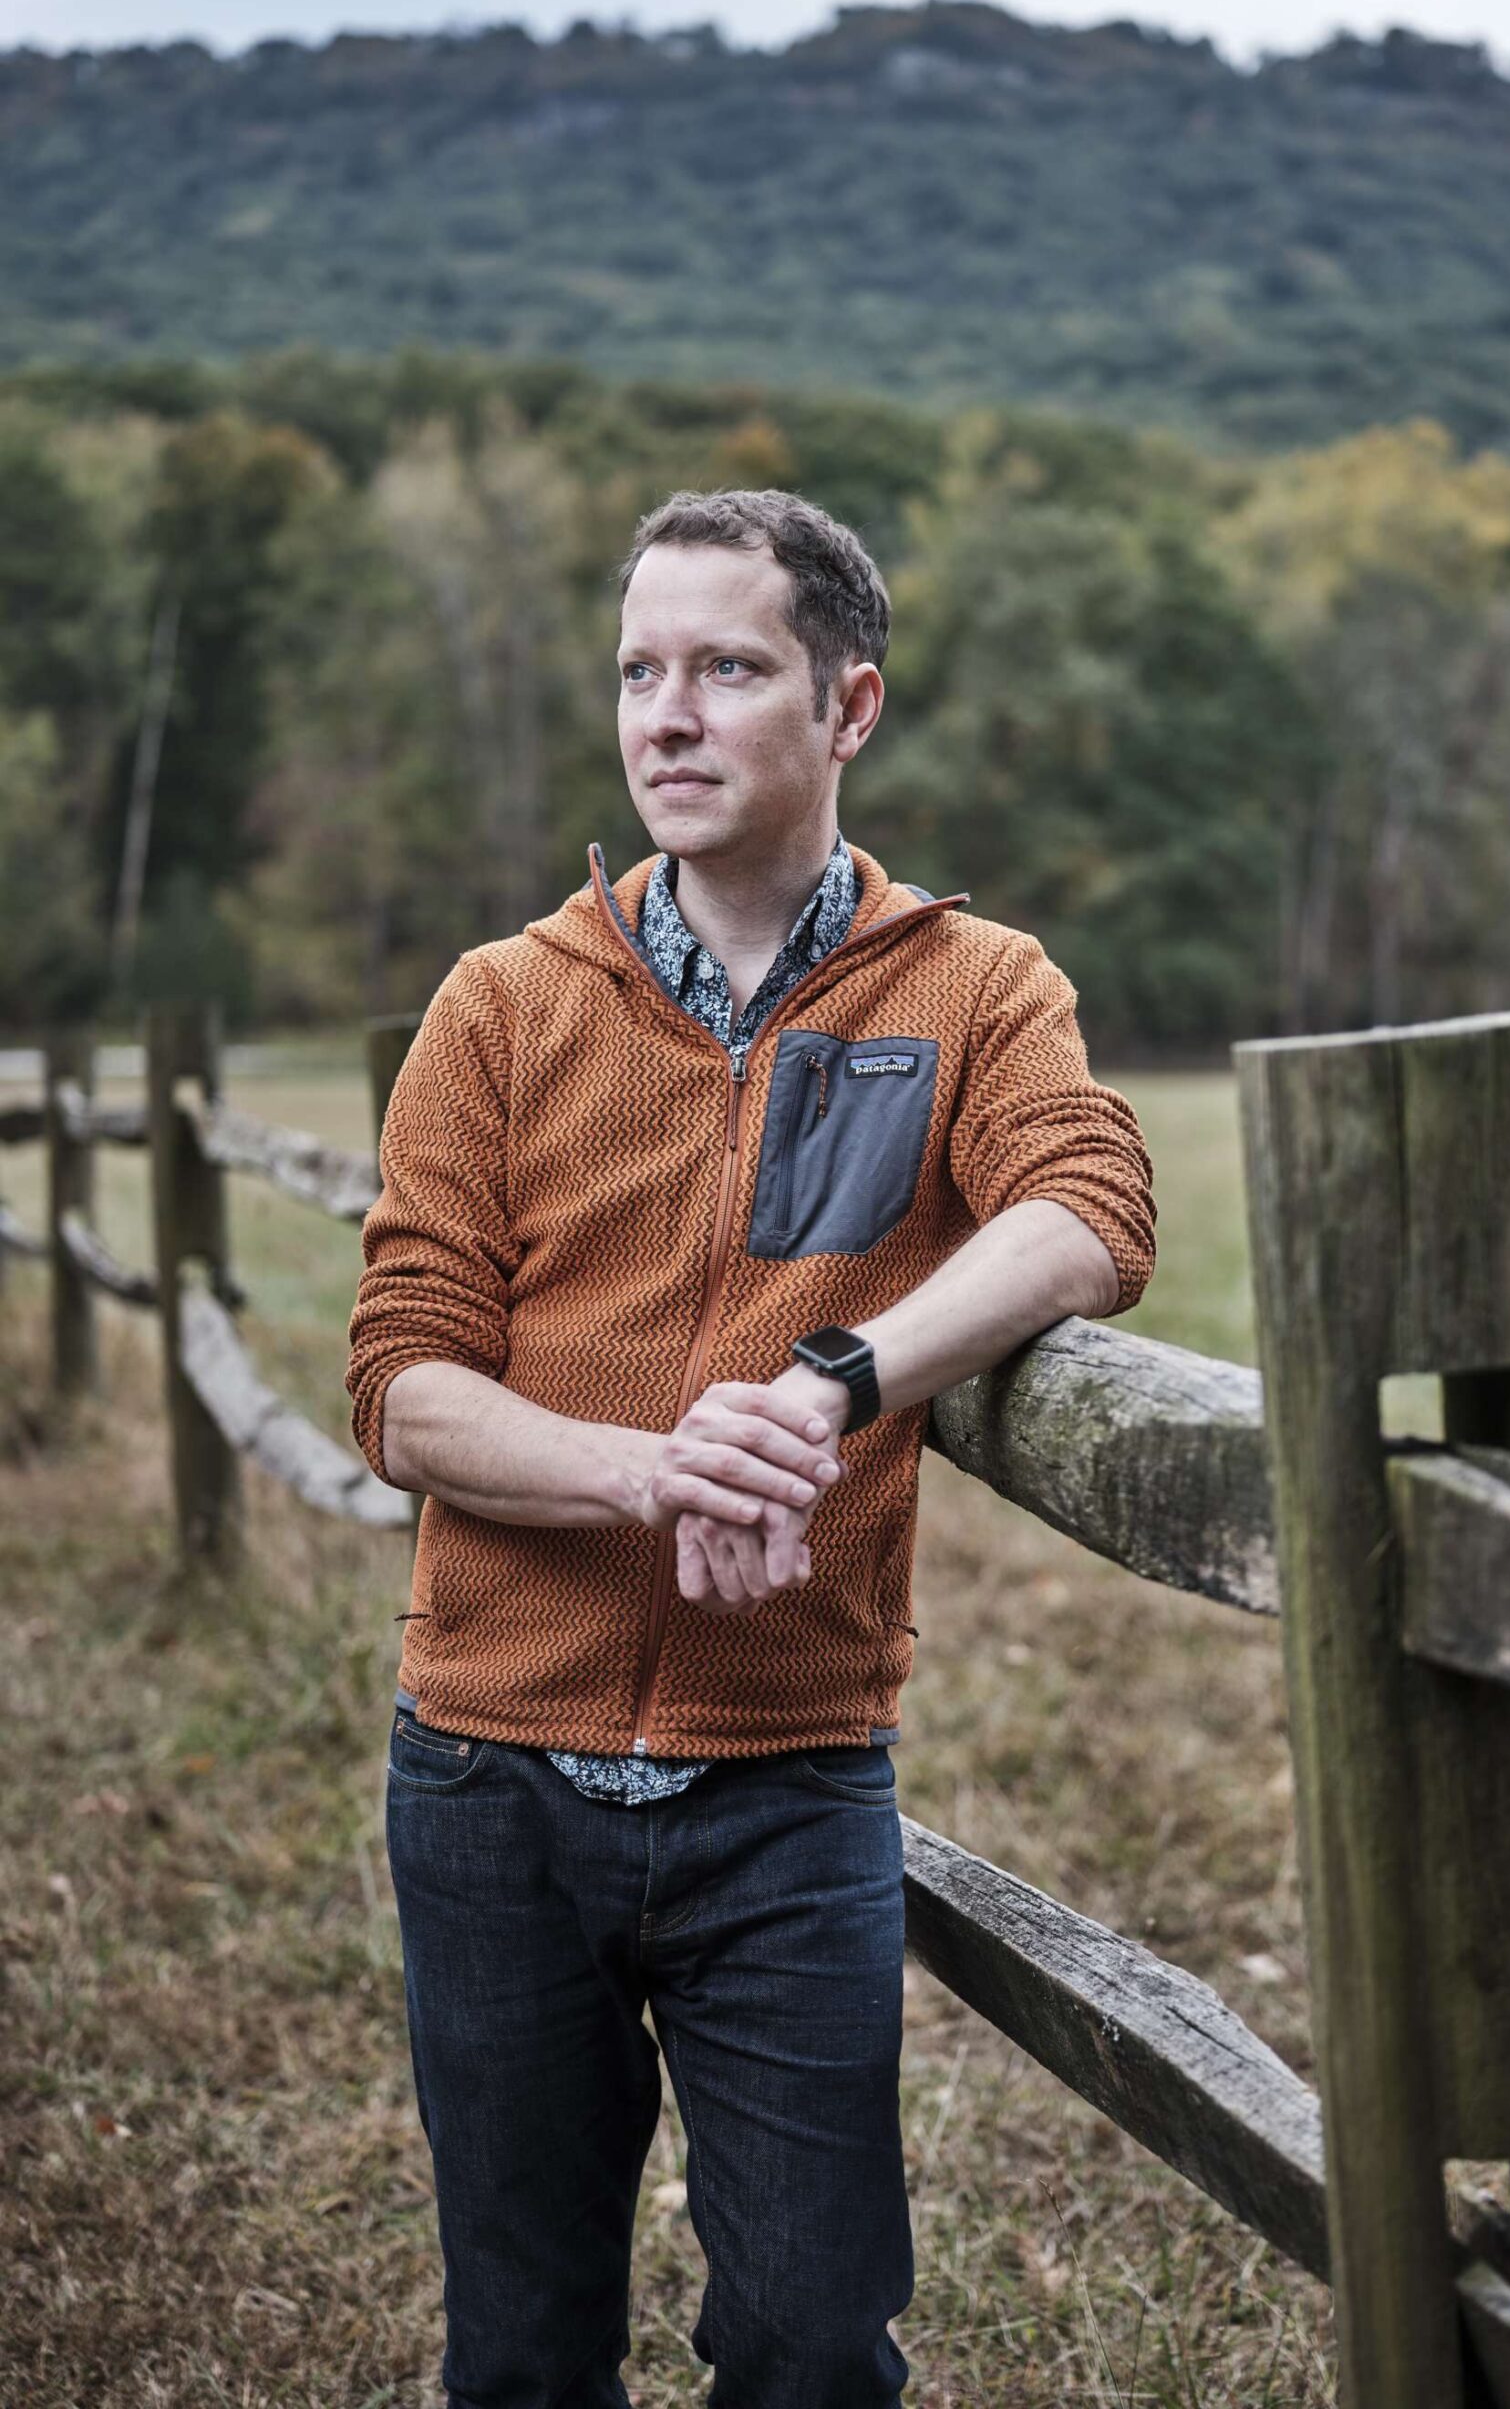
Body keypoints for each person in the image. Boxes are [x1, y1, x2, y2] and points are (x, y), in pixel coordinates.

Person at [346, 486, 1156, 2409]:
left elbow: (1090, 1207)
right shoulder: (504, 1006)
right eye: (640, 670)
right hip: (490, 1779)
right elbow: (402, 1385)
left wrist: (826, 1385)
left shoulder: (971, 988)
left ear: (849, 704)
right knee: (523, 2347)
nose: (668, 716)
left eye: (728, 666)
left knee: (809, 2343)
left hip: (786, 1787)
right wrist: (652, 1468)